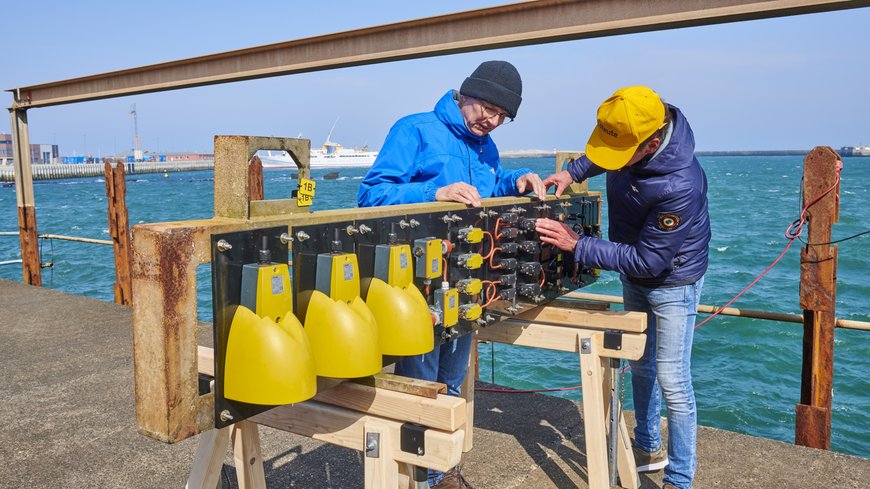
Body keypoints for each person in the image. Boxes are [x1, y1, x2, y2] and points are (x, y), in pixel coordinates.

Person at [357, 60, 544, 488]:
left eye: (502, 117)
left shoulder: (485, 146)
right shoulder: (414, 129)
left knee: (453, 380)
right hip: (416, 284)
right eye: (488, 110)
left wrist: (515, 180)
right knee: (421, 382)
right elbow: (370, 196)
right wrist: (433, 193)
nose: (492, 122)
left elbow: (489, 186)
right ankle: (423, 476)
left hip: (465, 278)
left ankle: (443, 469)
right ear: (467, 94)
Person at [535, 86, 710, 489]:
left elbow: (651, 261)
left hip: (673, 280)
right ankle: (647, 445)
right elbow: (603, 154)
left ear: (650, 144)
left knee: (672, 378)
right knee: (639, 363)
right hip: (634, 267)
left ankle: (680, 479)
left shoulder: (681, 184)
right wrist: (572, 171)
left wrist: (577, 245)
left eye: (622, 156)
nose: (613, 162)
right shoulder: (633, 130)